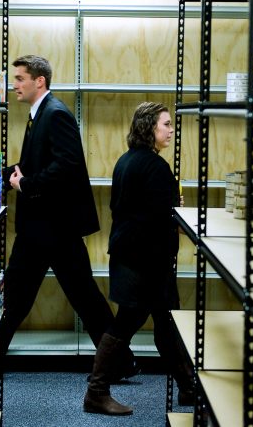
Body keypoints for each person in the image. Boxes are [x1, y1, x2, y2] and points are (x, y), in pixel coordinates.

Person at [0, 55, 136, 381]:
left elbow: (67, 166)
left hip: (50, 229)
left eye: (21, 78)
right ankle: (121, 362)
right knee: (76, 297)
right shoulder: (40, 115)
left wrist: (24, 184)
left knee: (28, 297)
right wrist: (1, 175)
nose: (15, 85)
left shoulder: (55, 115)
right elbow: (34, 164)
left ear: (40, 81)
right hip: (48, 228)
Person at [83, 102, 194, 416]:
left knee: (166, 322)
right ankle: (96, 393)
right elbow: (165, 218)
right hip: (145, 261)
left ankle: (188, 387)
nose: (171, 130)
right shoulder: (156, 167)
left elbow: (135, 209)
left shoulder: (126, 161)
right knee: (128, 323)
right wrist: (177, 209)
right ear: (149, 128)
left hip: (132, 256)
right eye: (166, 125)